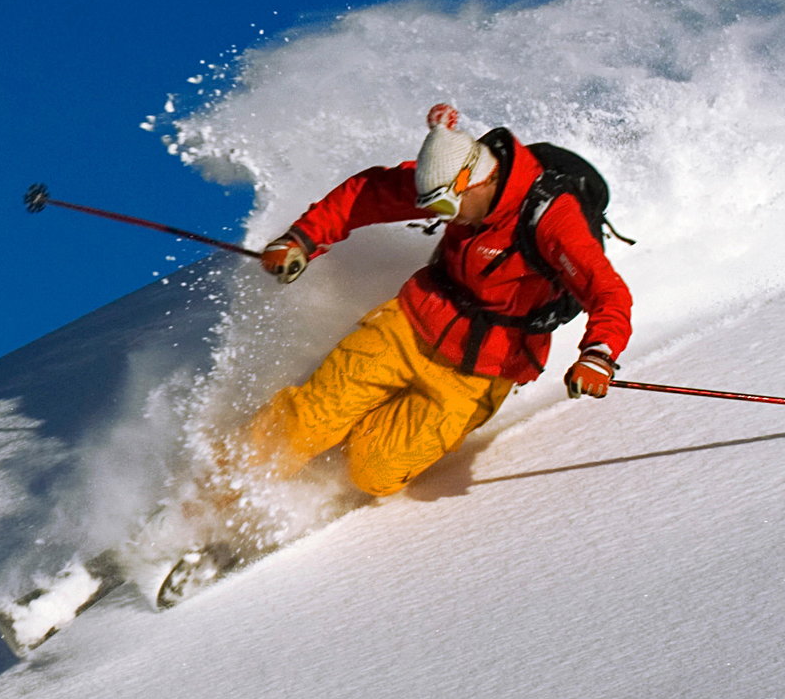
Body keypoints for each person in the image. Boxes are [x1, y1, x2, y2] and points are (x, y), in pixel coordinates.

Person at [240, 102, 634, 499]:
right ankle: (221, 498)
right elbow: (367, 195)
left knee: (373, 471)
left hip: (482, 371)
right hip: (410, 324)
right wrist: (302, 240)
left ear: (477, 180)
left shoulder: (552, 218)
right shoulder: (446, 181)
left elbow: (606, 292)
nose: (442, 218)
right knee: (305, 420)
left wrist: (597, 356)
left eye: (444, 207)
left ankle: (324, 467)